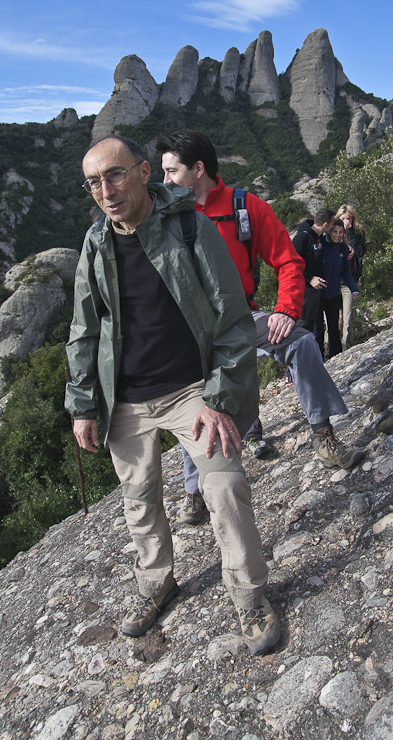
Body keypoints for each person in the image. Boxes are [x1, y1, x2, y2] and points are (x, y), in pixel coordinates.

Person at [65, 136, 281, 656]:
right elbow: (83, 331)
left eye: (115, 175)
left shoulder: (190, 227)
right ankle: (156, 583)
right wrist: (83, 405)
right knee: (139, 501)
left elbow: (232, 318)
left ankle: (250, 596)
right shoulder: (96, 245)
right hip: (126, 400)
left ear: (144, 173)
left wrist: (219, 396)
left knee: (224, 486)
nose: (106, 190)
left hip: (193, 390)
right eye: (94, 182)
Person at [155, 130, 365, 526]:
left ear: (198, 169)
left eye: (171, 171)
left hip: (241, 317)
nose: (164, 182)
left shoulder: (244, 207)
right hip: (192, 328)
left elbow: (287, 261)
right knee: (191, 392)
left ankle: (323, 435)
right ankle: (193, 489)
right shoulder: (167, 213)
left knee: (302, 343)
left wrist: (287, 309)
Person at [316, 219, 359, 359]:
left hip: (334, 293)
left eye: (341, 232)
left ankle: (337, 359)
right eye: (335, 231)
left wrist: (353, 288)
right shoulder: (321, 244)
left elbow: (345, 271)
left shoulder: (343, 248)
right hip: (319, 293)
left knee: (334, 328)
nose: (337, 235)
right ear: (329, 231)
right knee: (319, 329)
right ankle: (318, 359)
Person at [292, 208, 336, 333]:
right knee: (302, 325)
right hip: (304, 290)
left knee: (312, 325)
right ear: (325, 225)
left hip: (315, 291)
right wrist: (309, 278)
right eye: (332, 225)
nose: (333, 228)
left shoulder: (317, 237)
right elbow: (293, 263)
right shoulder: (302, 238)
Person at [337, 205, 367, 352]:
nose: (345, 221)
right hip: (334, 281)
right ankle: (330, 349)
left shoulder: (357, 233)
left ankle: (347, 348)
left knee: (349, 316)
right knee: (336, 318)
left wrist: (349, 232)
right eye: (342, 219)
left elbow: (359, 253)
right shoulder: (333, 234)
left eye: (348, 218)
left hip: (350, 281)